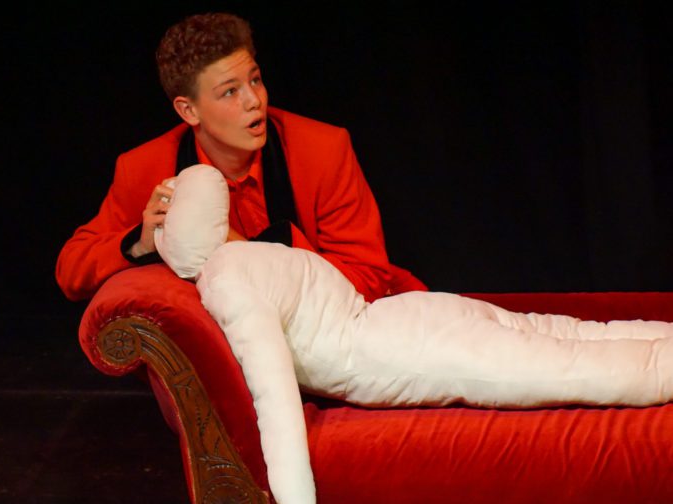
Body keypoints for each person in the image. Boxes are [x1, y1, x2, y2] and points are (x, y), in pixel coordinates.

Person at [158, 163, 673, 504]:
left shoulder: (229, 281)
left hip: (403, 349)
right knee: (569, 335)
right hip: (412, 318)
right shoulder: (252, 256)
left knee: (565, 367)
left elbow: (274, 399)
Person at [55, 12, 425, 303]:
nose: (254, 100)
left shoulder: (323, 149)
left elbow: (369, 279)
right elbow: (70, 272)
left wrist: (243, 251)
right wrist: (140, 242)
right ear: (188, 111)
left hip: (343, 324)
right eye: (230, 91)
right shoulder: (143, 167)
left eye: (255, 80)